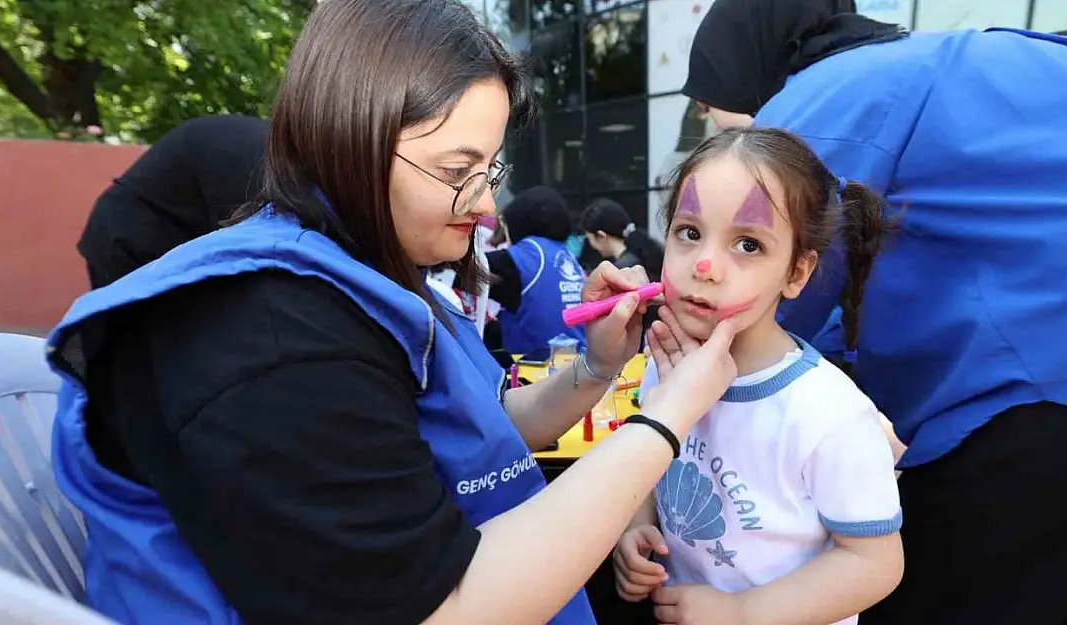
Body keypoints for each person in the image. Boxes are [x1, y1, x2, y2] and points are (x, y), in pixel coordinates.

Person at [42, 2, 746, 624]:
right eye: (454, 170)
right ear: (352, 133)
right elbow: (445, 606)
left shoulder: (364, 271)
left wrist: (596, 366)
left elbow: (475, 436)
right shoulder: (273, 339)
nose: (486, 206)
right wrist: (669, 414)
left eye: (491, 170)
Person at [683, 1, 1067, 623]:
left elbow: (758, 315)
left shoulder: (830, 95)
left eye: (707, 104)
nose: (709, 121)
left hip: (1038, 397)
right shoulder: (985, 58)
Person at [613, 127, 903, 625]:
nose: (704, 266)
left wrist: (742, 612)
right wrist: (636, 526)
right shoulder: (665, 369)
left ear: (796, 273)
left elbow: (875, 563)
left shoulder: (827, 413)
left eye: (747, 244)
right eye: (689, 232)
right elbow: (652, 469)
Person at [77, 114, 269, 288]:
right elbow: (249, 251)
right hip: (129, 238)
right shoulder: (258, 163)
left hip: (159, 239)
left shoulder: (264, 151)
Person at [485, 185, 587, 355]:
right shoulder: (567, 256)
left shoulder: (527, 256)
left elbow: (457, 270)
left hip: (537, 368)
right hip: (581, 362)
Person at [579, 198, 664, 284]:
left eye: (589, 238)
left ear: (601, 236)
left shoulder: (622, 270)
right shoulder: (646, 253)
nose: (590, 244)